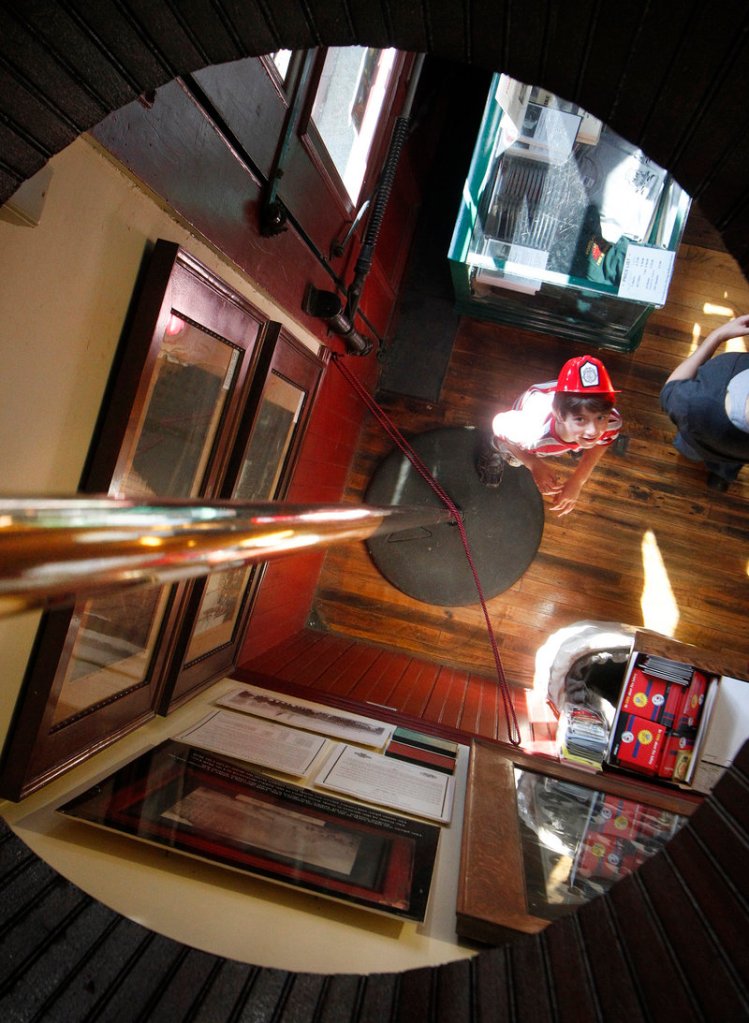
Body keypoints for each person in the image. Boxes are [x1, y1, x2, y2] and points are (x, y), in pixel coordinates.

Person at [478, 355, 622, 516]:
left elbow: (605, 440)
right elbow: (498, 424)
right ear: (559, 414)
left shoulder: (612, 421)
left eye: (600, 417)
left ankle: (574, 442)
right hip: (520, 430)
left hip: (560, 419)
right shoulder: (530, 431)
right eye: (580, 419)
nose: (593, 431)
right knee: (515, 459)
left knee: (585, 438)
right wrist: (532, 463)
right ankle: (492, 448)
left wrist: (578, 480)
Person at [660, 314, 749, 491]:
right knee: (733, 458)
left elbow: (668, 392)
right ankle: (722, 476)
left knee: (692, 449)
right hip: (741, 452)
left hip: (699, 433)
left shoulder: (696, 402)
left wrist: (716, 336)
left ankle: (696, 458)